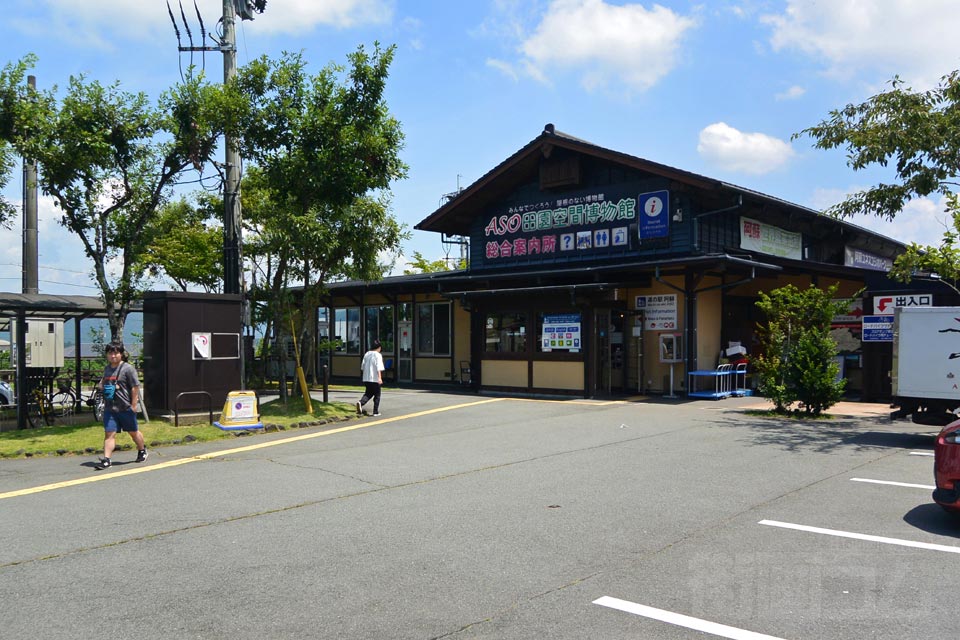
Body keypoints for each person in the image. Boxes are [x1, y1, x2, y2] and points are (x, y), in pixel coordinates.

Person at [95, 343, 147, 469]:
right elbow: (102, 382)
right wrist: (102, 386)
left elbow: (135, 387)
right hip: (110, 408)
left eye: (116, 353)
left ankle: (142, 450)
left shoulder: (128, 369)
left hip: (125, 407)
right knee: (109, 433)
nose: (113, 356)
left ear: (121, 354)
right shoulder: (107, 369)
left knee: (133, 432)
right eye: (110, 353)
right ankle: (107, 459)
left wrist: (133, 405)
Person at [356, 339, 385, 417]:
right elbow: (378, 367)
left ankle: (361, 402)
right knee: (377, 395)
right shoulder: (378, 355)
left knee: (368, 393)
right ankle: (375, 411)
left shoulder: (367, 354)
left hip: (366, 378)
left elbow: (362, 367)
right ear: (379, 347)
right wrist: (380, 378)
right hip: (374, 378)